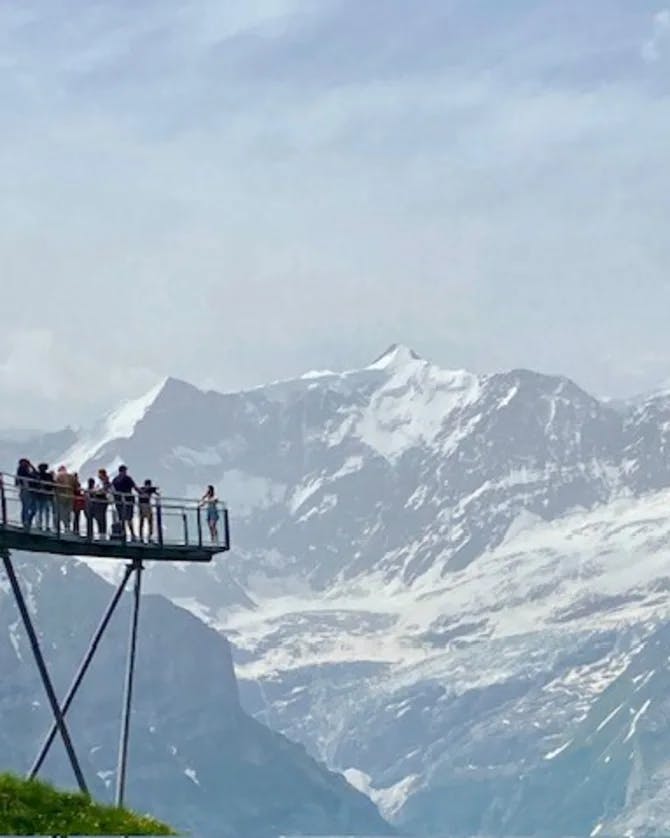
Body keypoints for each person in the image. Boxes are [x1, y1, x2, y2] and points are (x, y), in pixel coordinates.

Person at [111, 465, 138, 540]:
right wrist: (142, 493)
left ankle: (123, 534)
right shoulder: (127, 479)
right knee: (129, 518)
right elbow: (135, 487)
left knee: (121, 518)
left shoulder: (115, 479)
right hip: (128, 501)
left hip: (119, 501)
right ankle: (132, 535)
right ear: (123, 471)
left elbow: (112, 489)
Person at [15, 459, 37, 530]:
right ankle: (25, 522)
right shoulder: (21, 470)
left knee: (32, 509)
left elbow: (35, 475)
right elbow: (27, 477)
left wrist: (32, 467)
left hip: (30, 491)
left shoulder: (28, 471)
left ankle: (27, 521)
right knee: (26, 507)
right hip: (25, 490)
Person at [54, 465, 75, 533]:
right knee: (68, 513)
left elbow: (55, 485)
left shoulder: (57, 476)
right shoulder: (71, 476)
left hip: (60, 497)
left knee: (59, 513)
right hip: (70, 496)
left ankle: (57, 528)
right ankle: (67, 527)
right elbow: (77, 485)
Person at [34, 463, 55, 531]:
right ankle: (44, 525)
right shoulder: (48, 476)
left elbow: (52, 485)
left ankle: (42, 525)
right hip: (43, 495)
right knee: (43, 511)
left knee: (41, 511)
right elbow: (52, 485)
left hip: (41, 495)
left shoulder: (37, 475)